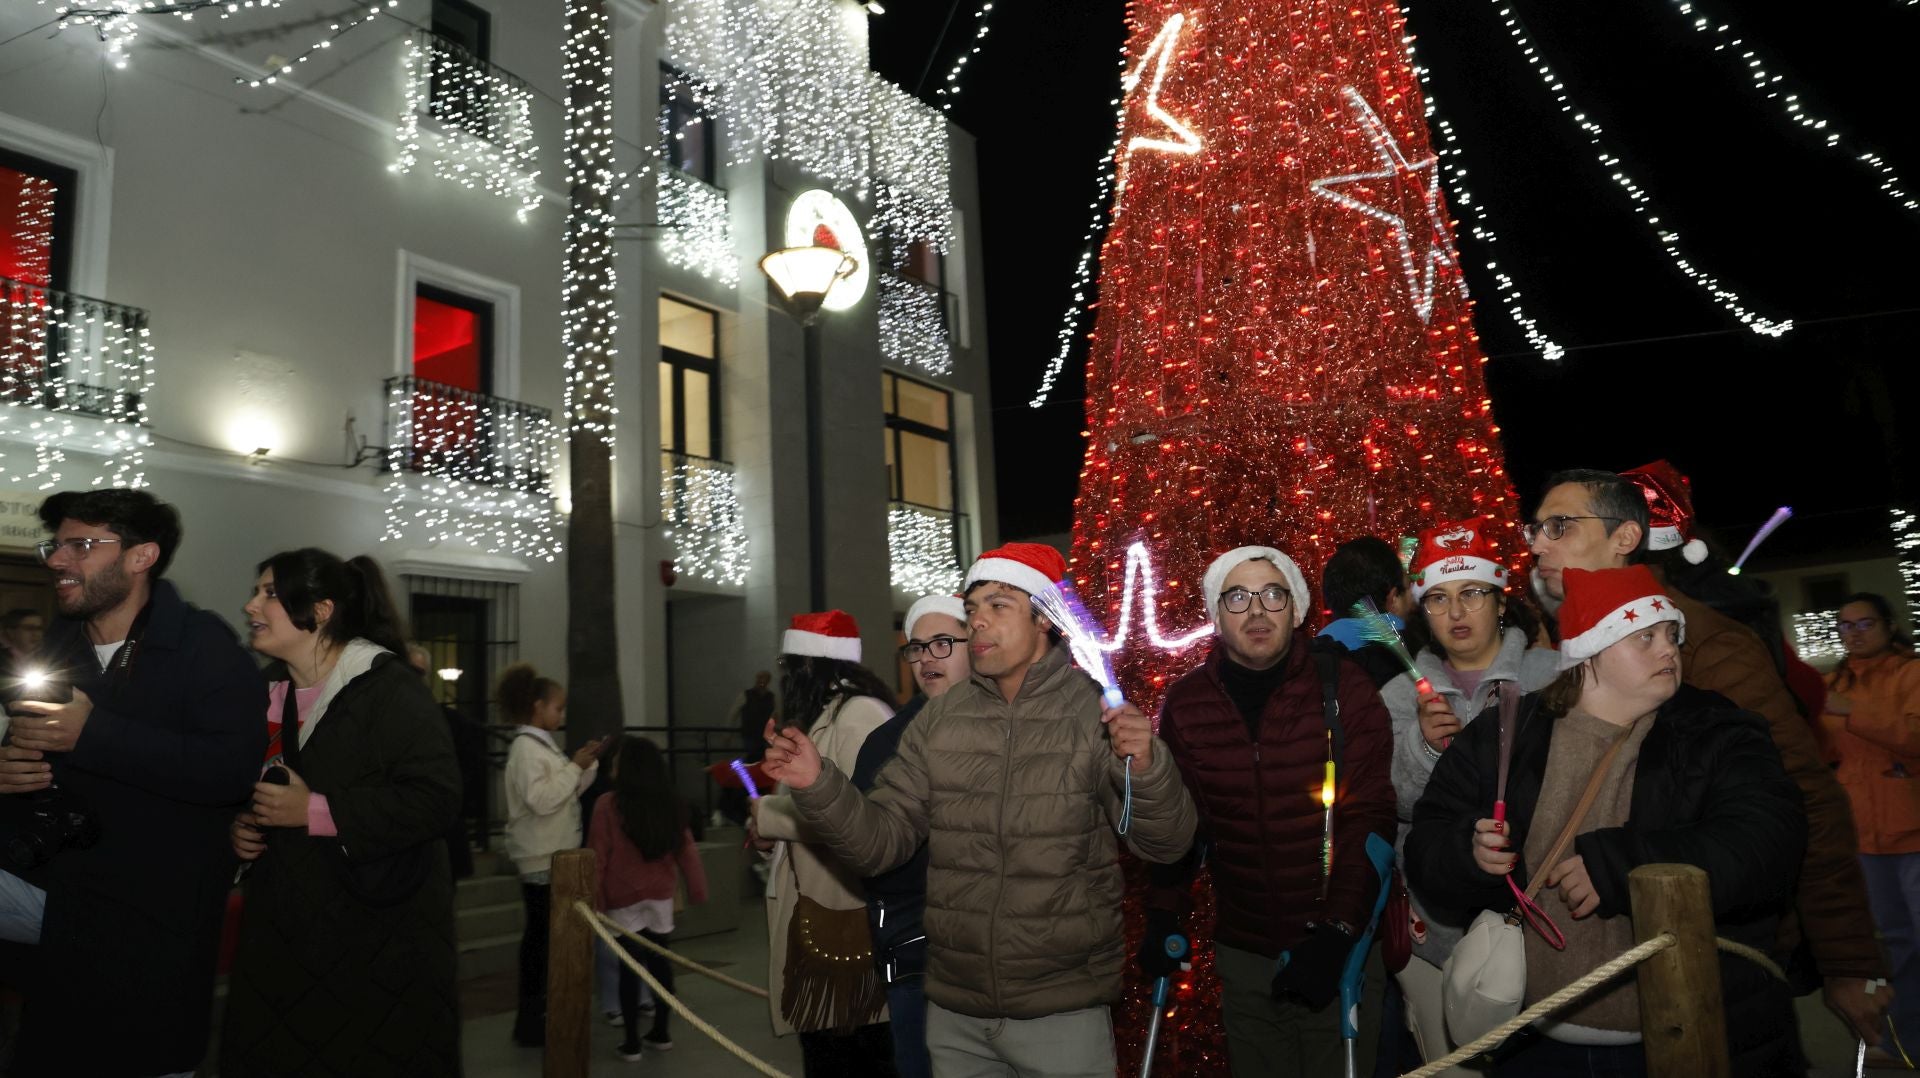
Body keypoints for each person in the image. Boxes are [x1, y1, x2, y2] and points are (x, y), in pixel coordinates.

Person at [762, 543, 1198, 1078]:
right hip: (955, 1012)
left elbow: (1165, 844)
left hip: (1061, 1011)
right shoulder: (940, 720)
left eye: (998, 605)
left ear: (1043, 618)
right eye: (972, 609)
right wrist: (818, 783)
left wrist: (1148, 768)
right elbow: (880, 844)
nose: (978, 622)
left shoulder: (1092, 713)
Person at [1407, 565, 1805, 1075]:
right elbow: (1427, 840)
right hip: (1532, 1042)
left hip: (1684, 1038)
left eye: (1671, 635)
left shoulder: (1716, 730)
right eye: (1645, 638)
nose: (1669, 651)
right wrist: (1469, 852)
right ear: (1591, 650)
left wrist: (1624, 864)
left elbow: (1770, 841)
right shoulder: (1504, 733)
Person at [1614, 461, 1888, 1040]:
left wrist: (1847, 960)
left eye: (1565, 527)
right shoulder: (1585, 645)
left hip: (1729, 944)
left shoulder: (1712, 645)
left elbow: (1804, 794)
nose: (1540, 547)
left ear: (1626, 542)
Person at [0, 488, 265, 1077]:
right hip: (59, 902)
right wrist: (7, 769)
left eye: (81, 545)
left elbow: (231, 771)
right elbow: (28, 745)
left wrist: (94, 735)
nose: (57, 560)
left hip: (150, 927)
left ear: (142, 556)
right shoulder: (61, 643)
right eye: (55, 546)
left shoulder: (203, 646)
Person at [1141, 545, 1396, 1077]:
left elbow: (1369, 819)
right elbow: (1183, 824)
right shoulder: (1188, 705)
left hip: (1338, 951)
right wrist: (1163, 913)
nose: (1256, 610)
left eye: (1272, 594)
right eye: (1237, 597)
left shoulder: (1345, 689)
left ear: (1296, 609)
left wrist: (1337, 934)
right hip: (1245, 955)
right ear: (1216, 615)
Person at [220, 549, 462, 1075]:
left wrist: (314, 810)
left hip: (376, 945)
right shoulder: (264, 692)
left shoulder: (388, 689)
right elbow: (241, 789)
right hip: (282, 941)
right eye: (257, 592)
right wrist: (240, 826)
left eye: (269, 594)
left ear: (321, 610)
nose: (250, 606)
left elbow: (436, 799)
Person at [1380, 521, 1558, 1068]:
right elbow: (1393, 805)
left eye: (1472, 593)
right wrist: (1422, 748)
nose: (1456, 612)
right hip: (1436, 932)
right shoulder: (1399, 695)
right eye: (1438, 598)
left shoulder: (1553, 676)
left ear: (1500, 601)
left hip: (1544, 919)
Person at [747, 610, 897, 1075]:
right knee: (828, 1049)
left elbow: (859, 815)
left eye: (790, 667)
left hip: (845, 912)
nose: (785, 679)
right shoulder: (824, 716)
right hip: (818, 905)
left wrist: (768, 816)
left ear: (810, 665)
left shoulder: (861, 715)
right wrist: (768, 838)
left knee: (856, 1053)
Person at [851, 593, 971, 1078]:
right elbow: (870, 849)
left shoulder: (1018, 727)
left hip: (1007, 957)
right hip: (916, 948)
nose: (926, 659)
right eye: (916, 648)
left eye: (942, 643)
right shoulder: (888, 741)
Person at [1823, 592, 1920, 1061]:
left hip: (1913, 832)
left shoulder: (1910, 673)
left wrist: (1850, 711)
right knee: (1895, 945)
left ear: (1888, 625)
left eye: (1865, 623)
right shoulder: (1831, 683)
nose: (1855, 633)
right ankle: (1905, 1042)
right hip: (1862, 836)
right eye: (1846, 625)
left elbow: (1915, 735)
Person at [502, 661, 608, 1047]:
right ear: (537, 707)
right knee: (541, 943)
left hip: (553, 854)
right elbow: (543, 800)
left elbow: (564, 792)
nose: (561, 715)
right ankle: (533, 1019)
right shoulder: (526, 749)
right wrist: (574, 767)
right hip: (541, 857)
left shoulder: (539, 745)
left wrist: (584, 765)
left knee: (548, 940)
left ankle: (545, 1015)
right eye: (557, 708)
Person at [588, 735, 709, 1062]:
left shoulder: (606, 805)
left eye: (616, 762)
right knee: (660, 961)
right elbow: (688, 851)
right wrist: (698, 890)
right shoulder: (671, 803)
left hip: (621, 897)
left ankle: (631, 1042)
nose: (612, 767)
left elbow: (598, 856)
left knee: (628, 967)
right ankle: (661, 1031)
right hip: (660, 895)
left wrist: (595, 900)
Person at [1313, 535, 1418, 688]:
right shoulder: (1416, 657)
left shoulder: (1311, 660)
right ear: (1393, 598)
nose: (1413, 598)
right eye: (1408, 588)